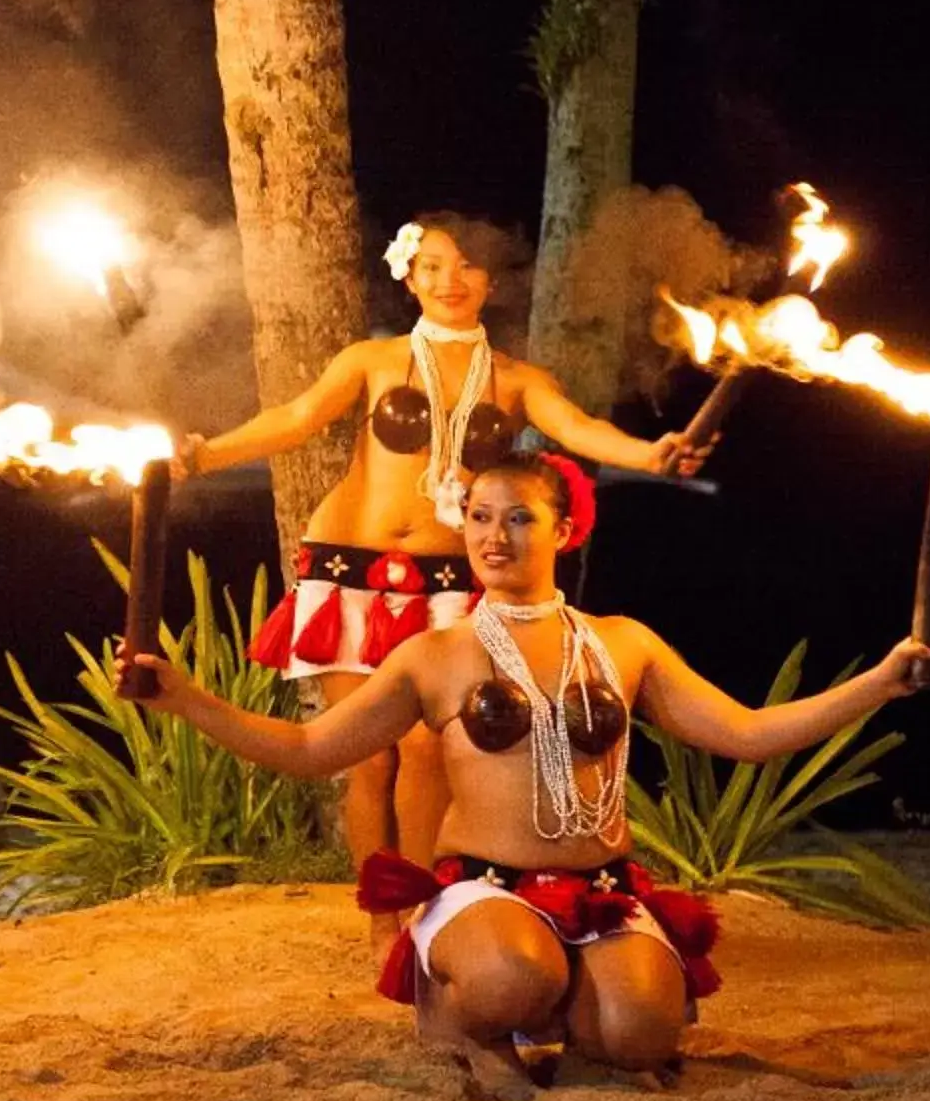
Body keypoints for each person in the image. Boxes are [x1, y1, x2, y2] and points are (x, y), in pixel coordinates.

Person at [126, 452, 930, 1096]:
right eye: (478, 516)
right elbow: (310, 751)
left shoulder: (623, 644)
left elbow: (749, 733)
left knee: (640, 1036)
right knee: (515, 975)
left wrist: (881, 683)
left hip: (603, 888)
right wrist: (187, 699)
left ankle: (581, 1013)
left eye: (519, 518)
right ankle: (456, 1013)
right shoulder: (436, 654)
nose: (494, 536)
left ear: (564, 528)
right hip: (486, 887)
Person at [181, 215, 708, 939]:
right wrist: (205, 455)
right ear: (409, 275)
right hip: (352, 572)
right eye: (430, 266)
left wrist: (652, 455)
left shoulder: (518, 380)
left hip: (449, 584)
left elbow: (579, 428)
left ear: (490, 282)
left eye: (464, 269)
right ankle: (381, 919)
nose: (447, 282)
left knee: (427, 750)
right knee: (363, 755)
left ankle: (431, 910)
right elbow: (297, 417)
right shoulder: (372, 360)